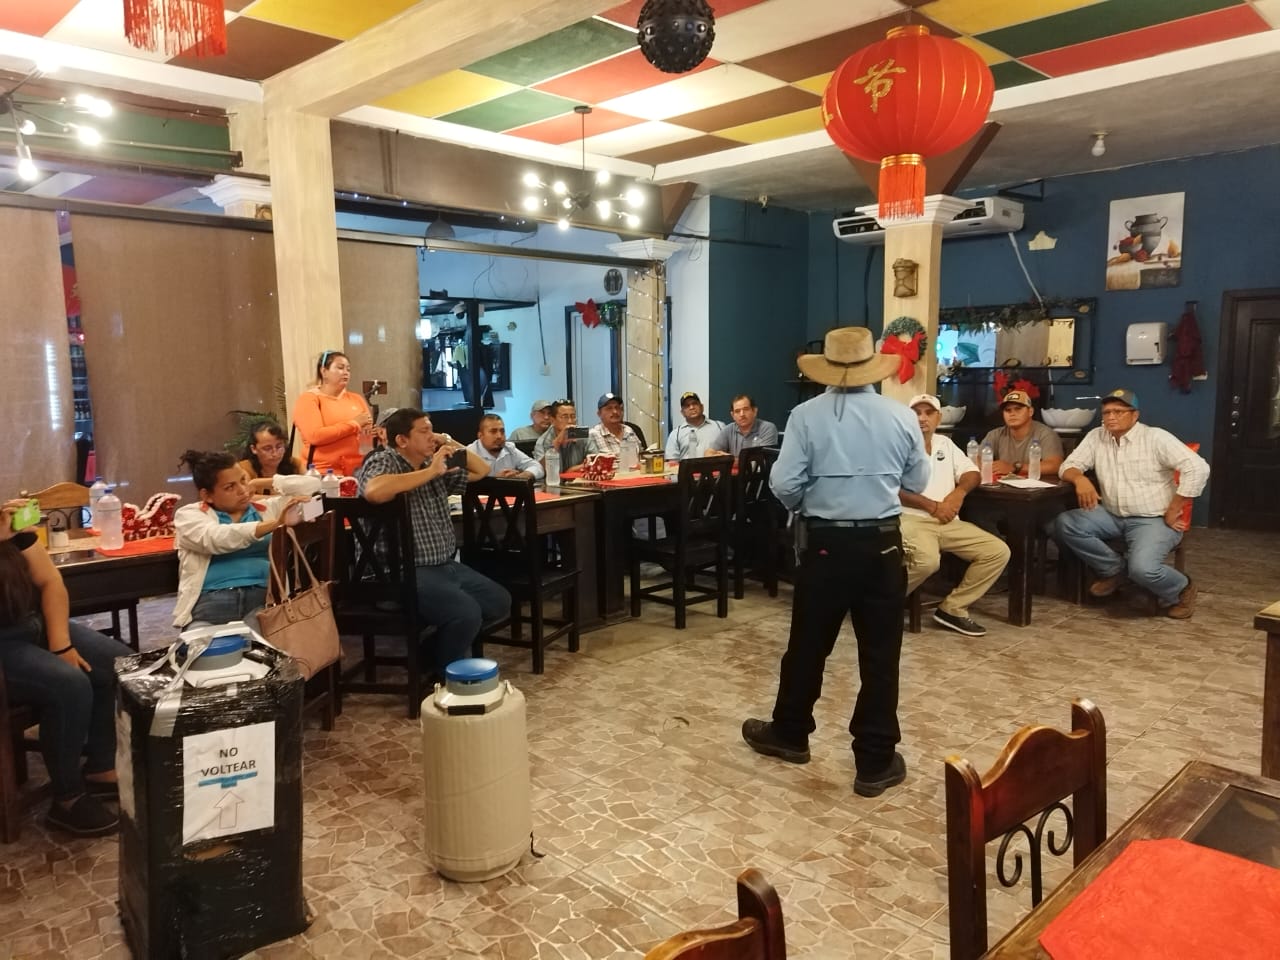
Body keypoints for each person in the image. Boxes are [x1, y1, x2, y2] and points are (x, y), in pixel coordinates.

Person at [741, 327, 929, 799]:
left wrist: (809, 504)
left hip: (825, 544)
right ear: (872, 367)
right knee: (880, 655)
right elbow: (917, 480)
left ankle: (790, 732)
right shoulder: (900, 416)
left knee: (807, 646)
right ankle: (875, 761)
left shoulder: (805, 416)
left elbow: (784, 484)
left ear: (827, 368)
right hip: (882, 545)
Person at [0, 497, 131, 836]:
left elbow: (50, 582)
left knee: (117, 663)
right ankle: (67, 798)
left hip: (35, 626)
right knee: (69, 685)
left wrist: (61, 644)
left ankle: (100, 767)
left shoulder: (9, 524)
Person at [357, 408, 511, 674]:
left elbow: (481, 469)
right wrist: (431, 471)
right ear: (402, 440)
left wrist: (447, 440)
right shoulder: (385, 459)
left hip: (442, 565)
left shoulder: (432, 463)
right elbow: (374, 491)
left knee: (499, 602)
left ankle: (425, 658)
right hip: (402, 570)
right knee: (466, 614)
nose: (432, 436)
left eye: (432, 430)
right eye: (424, 431)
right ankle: (444, 674)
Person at [1055, 389, 1209, 619]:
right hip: (1112, 515)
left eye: (1118, 411)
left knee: (1144, 569)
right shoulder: (1097, 436)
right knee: (1065, 523)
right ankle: (1115, 570)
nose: (1111, 417)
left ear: (1135, 415)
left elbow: (1198, 468)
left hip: (1154, 519)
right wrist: (1079, 479)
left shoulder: (1155, 437)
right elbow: (1068, 466)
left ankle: (1182, 588)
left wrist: (1175, 507)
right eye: (1106, 412)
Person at [899, 394, 1010, 637]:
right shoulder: (897, 444)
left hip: (947, 521)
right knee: (927, 561)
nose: (922, 418)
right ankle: (877, 601)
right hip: (910, 519)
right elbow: (889, 487)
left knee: (997, 551)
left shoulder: (945, 444)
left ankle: (952, 608)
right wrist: (932, 506)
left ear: (938, 418)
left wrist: (959, 493)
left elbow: (972, 473)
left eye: (929, 413)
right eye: (916, 413)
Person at [173, 450, 310, 630]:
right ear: (207, 495)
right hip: (212, 600)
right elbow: (216, 538)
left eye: (243, 480)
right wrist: (275, 523)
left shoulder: (266, 508)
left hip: (263, 597)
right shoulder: (189, 514)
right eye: (230, 487)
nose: (243, 490)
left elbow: (314, 486)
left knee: (258, 640)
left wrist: (263, 482)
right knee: (199, 643)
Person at [292, 350, 374, 476]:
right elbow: (315, 436)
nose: (346, 372)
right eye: (340, 368)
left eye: (348, 369)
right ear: (324, 371)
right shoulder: (309, 399)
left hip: (358, 470)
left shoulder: (357, 399)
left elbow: (366, 438)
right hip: (323, 473)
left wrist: (374, 435)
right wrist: (353, 424)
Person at [980, 389, 1065, 479]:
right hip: (1003, 484)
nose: (1012, 414)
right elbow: (976, 459)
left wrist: (1015, 468)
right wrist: (988, 466)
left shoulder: (1045, 434)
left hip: (1036, 485)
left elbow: (1055, 465)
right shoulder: (994, 434)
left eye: (1018, 409)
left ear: (1030, 412)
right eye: (1008, 410)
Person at [238, 419, 305, 495]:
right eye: (267, 448)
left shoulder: (295, 464)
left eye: (279, 447)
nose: (275, 453)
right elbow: (246, 497)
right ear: (254, 449)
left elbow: (311, 486)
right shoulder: (244, 468)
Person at [469, 414, 545, 481]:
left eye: (502, 431)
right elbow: (465, 485)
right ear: (480, 435)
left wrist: (521, 476)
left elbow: (537, 466)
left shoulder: (509, 448)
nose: (499, 436)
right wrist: (497, 481)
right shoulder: (469, 453)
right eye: (493, 431)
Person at [707, 394, 779, 457]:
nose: (742, 414)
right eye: (737, 411)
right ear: (733, 415)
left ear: (754, 411)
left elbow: (761, 461)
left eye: (746, 409)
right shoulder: (728, 429)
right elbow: (708, 453)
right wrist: (717, 456)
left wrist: (729, 459)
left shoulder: (767, 428)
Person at [665, 391, 723, 461]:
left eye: (694, 403)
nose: (691, 407)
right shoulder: (675, 434)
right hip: (687, 468)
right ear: (682, 412)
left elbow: (729, 454)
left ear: (702, 407)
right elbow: (672, 462)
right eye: (687, 406)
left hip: (716, 467)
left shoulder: (719, 427)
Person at [533, 399, 589, 472]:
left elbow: (595, 461)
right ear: (552, 420)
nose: (570, 421)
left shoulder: (582, 434)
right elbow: (541, 470)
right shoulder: (543, 441)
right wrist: (557, 443)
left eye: (573, 416)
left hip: (579, 478)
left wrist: (572, 470)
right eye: (565, 417)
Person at [588, 393, 641, 458]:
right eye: (609, 408)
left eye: (617, 407)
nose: (615, 411)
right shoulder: (593, 435)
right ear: (599, 414)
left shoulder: (628, 430)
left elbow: (640, 455)